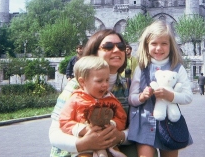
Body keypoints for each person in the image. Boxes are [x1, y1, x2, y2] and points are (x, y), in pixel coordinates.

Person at [49, 29, 155, 157]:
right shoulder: (77, 85)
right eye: (108, 46)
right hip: (75, 149)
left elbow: (138, 127)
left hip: (112, 147)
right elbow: (54, 133)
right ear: (94, 53)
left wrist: (120, 136)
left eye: (121, 46)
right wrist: (84, 143)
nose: (116, 50)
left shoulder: (128, 85)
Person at [128, 20, 193, 157]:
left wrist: (170, 95)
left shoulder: (177, 67)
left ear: (171, 45)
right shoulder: (142, 67)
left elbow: (188, 96)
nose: (159, 48)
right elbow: (132, 99)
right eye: (154, 44)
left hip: (169, 124)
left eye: (164, 44)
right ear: (146, 45)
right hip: (144, 124)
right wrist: (141, 97)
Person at [59, 56, 128, 157]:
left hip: (109, 147)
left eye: (107, 80)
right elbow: (64, 121)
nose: (105, 85)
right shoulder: (75, 99)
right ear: (83, 82)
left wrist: (112, 124)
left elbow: (122, 118)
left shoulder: (110, 100)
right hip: (85, 148)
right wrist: (83, 129)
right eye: (99, 81)